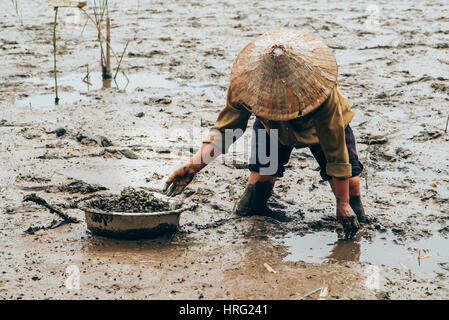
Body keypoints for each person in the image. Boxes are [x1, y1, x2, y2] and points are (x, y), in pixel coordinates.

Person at [163, 30, 367, 238]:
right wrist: (192, 167)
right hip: (271, 128)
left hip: (318, 127)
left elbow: (336, 152)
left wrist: (342, 203)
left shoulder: (322, 95)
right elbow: (227, 130)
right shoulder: (244, 86)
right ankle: (254, 222)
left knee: (349, 188)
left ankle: (354, 225)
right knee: (258, 186)